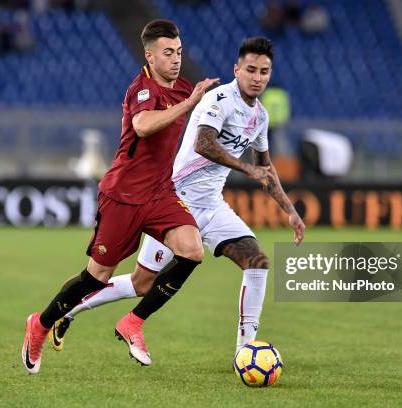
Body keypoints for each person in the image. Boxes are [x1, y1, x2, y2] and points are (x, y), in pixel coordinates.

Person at [48, 37, 306, 356]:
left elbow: (265, 169)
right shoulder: (219, 100)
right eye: (251, 69)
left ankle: (246, 351)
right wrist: (244, 167)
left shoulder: (260, 118)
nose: (257, 77)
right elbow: (203, 143)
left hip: (211, 206)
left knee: (258, 263)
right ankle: (68, 311)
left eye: (264, 71)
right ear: (236, 70)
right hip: (174, 200)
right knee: (142, 284)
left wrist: (289, 211)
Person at [21, 19, 219, 373]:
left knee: (192, 250)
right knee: (94, 278)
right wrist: (189, 103)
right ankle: (40, 324)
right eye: (168, 53)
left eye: (179, 52)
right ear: (150, 56)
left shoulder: (184, 87)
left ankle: (134, 322)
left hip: (160, 193)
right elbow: (143, 126)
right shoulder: (141, 89)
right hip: (123, 196)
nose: (175, 59)